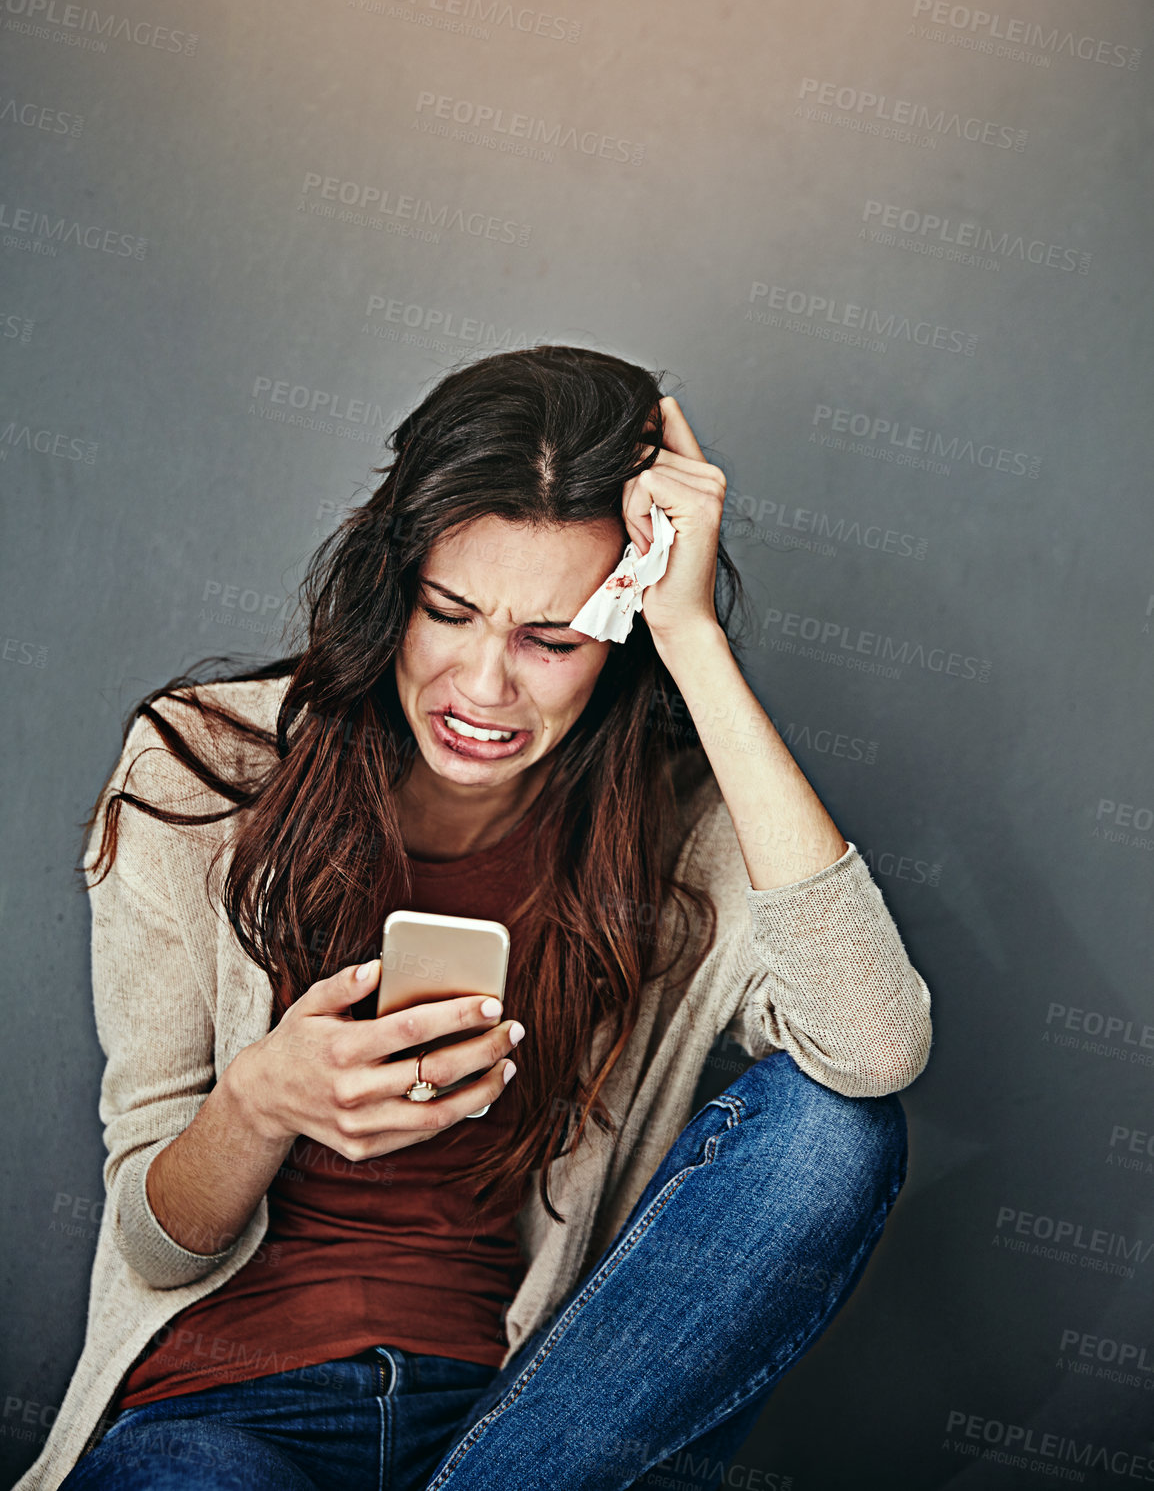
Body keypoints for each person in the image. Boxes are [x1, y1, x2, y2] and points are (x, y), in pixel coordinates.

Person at [23, 345, 932, 1491]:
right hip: (226, 1415)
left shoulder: (681, 831)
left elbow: (874, 1044)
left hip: (517, 1430)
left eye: (550, 640)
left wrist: (694, 636)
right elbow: (155, 1241)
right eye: (449, 612)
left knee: (839, 1129)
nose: (483, 686)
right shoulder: (204, 766)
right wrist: (261, 1098)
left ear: (620, 625)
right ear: (391, 584)